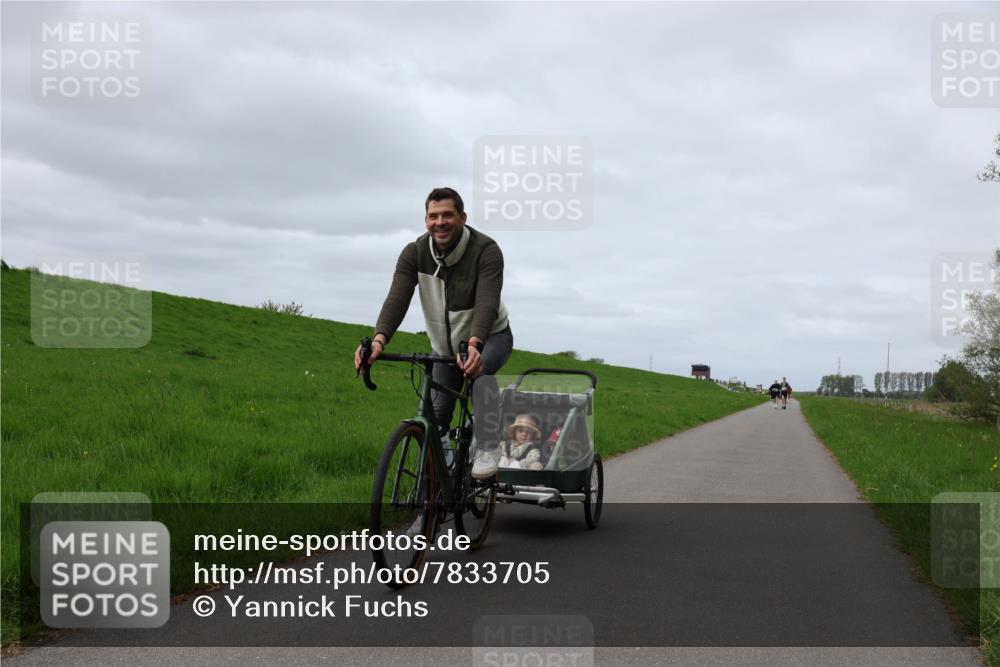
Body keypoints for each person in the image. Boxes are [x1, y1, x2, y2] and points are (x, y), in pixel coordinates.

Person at [354, 187, 512, 478]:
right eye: (433, 216)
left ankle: (488, 445)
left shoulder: (486, 250)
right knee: (436, 416)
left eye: (447, 215)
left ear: (462, 218)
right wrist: (378, 340)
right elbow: (397, 298)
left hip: (491, 336)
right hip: (444, 347)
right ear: (426, 220)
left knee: (480, 375)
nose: (440, 222)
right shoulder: (414, 253)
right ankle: (439, 485)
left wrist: (475, 343)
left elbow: (487, 301)